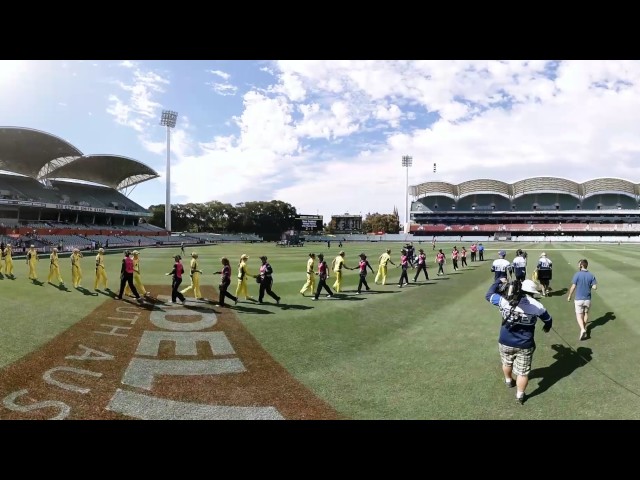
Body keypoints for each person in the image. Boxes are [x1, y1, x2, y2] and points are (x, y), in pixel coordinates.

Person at [486, 277, 553, 405]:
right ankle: (520, 394)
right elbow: (548, 320)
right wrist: (547, 326)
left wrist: (498, 281)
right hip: (525, 344)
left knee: (507, 362)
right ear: (532, 292)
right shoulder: (537, 306)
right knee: (523, 373)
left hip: (505, 341)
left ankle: (508, 380)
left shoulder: (505, 301)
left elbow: (489, 295)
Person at [567, 259, 598, 341]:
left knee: (578, 315)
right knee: (586, 313)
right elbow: (595, 287)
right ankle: (583, 328)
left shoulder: (577, 274)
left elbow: (573, 286)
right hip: (587, 299)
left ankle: (582, 329)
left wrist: (569, 295)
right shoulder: (591, 275)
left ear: (581, 265)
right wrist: (589, 285)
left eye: (578, 264)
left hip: (578, 299)